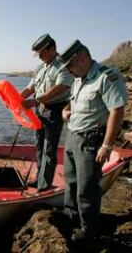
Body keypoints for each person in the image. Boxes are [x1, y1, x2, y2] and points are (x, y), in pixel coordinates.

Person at [58, 39, 128, 242]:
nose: (69, 72)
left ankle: (88, 231)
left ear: (82, 59)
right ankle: (71, 217)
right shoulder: (79, 79)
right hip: (72, 136)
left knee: (86, 188)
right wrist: (66, 111)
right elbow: (74, 103)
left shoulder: (106, 77)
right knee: (70, 181)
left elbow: (117, 110)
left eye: (70, 66)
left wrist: (107, 145)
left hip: (91, 139)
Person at [20, 34, 74, 191]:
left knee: (49, 149)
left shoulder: (63, 66)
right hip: (40, 111)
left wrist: (35, 101)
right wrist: (15, 99)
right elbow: (30, 88)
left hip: (54, 111)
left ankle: (44, 185)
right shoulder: (40, 68)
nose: (40, 57)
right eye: (38, 54)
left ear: (53, 49)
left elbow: (59, 88)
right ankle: (39, 178)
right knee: (39, 146)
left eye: (42, 53)